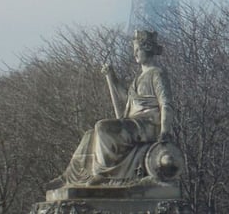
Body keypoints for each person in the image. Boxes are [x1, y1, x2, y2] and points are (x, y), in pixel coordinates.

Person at [47, 30, 174, 188]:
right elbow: (127, 99)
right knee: (90, 135)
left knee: (102, 127)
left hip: (147, 125)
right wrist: (112, 77)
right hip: (134, 124)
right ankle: (70, 177)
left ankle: (104, 174)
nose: (134, 54)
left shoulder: (157, 74)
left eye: (137, 50)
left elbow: (166, 103)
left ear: (147, 49)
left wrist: (164, 131)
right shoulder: (139, 78)